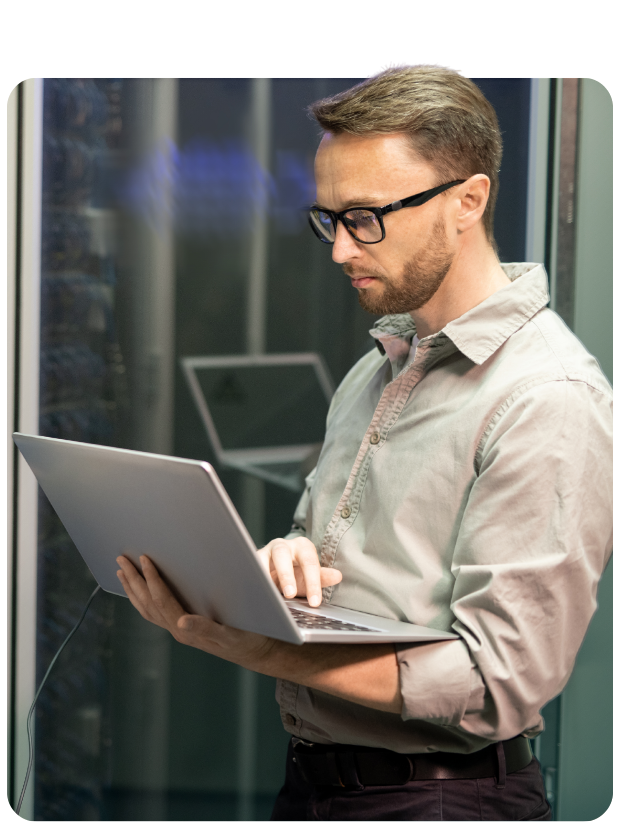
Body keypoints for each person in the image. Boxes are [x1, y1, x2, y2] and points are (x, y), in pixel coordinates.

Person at [115, 64, 614, 822]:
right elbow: (343, 553)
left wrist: (252, 645)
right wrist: (290, 559)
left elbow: (499, 681)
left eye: (366, 218)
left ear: (467, 201)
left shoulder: (547, 397)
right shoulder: (378, 366)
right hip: (320, 783)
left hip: (445, 801)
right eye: (328, 220)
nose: (342, 250)